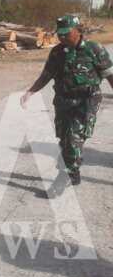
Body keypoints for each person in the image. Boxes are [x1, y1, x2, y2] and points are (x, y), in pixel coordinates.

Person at [21, 15, 113, 187]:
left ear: (78, 31)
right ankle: (72, 167)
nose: (62, 37)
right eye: (60, 34)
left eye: (66, 33)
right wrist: (31, 91)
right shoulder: (56, 52)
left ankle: (68, 173)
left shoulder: (94, 49)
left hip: (87, 99)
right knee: (64, 138)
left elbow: (110, 75)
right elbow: (46, 75)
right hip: (63, 100)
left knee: (74, 137)